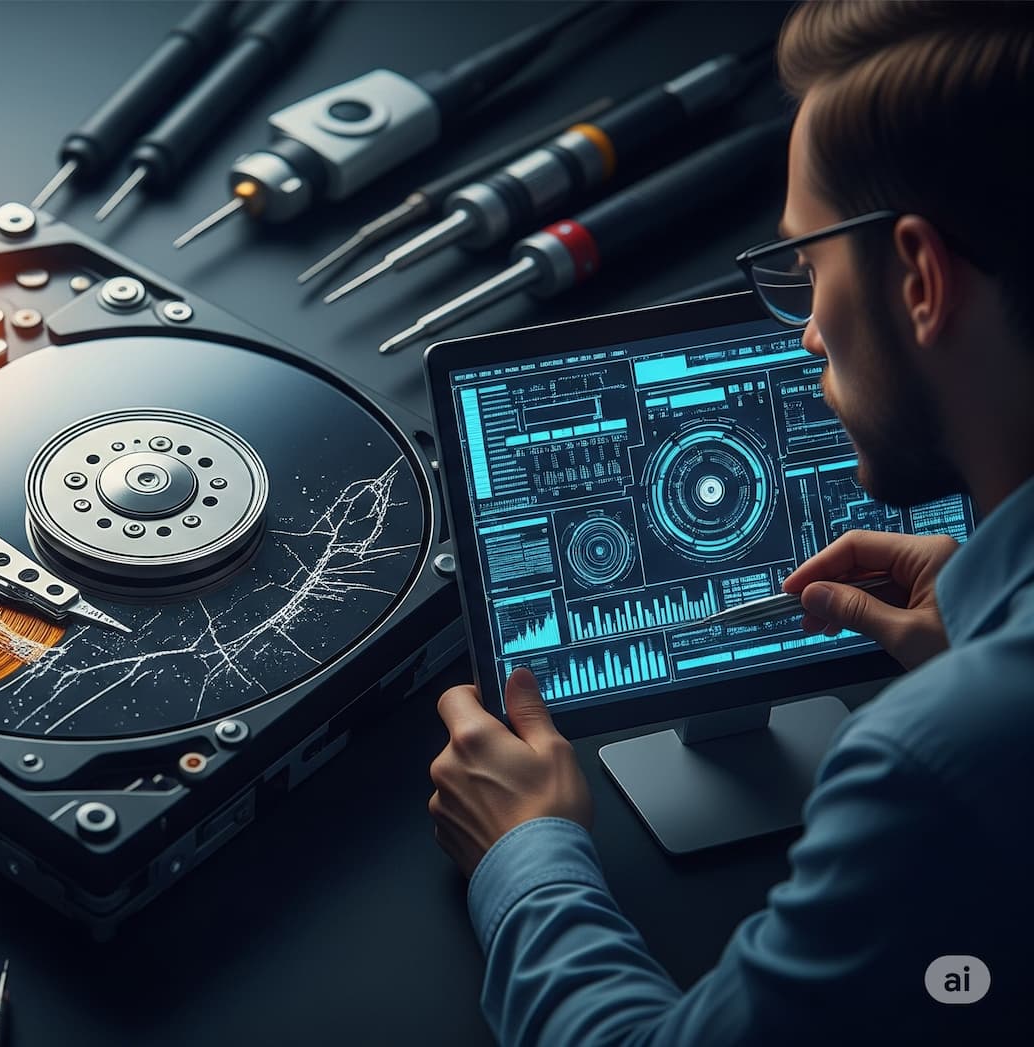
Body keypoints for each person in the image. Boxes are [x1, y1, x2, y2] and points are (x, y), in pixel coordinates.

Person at [425, 2, 1034, 1043]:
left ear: (921, 278)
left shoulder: (933, 767)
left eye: (808, 267)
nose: (804, 328)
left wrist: (525, 856)